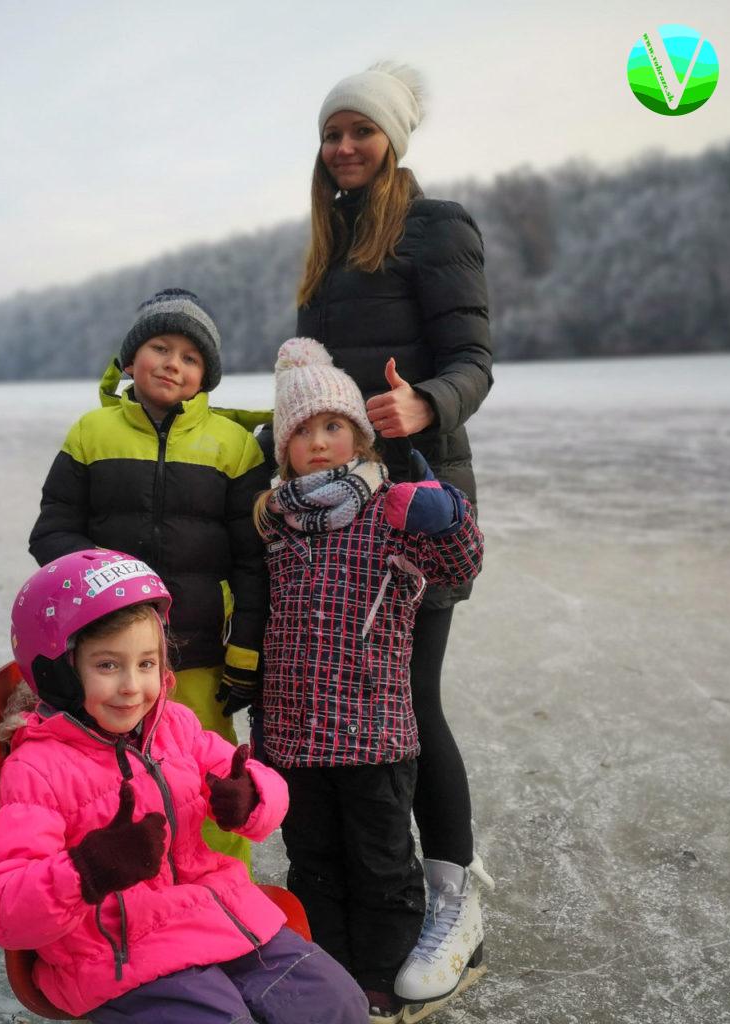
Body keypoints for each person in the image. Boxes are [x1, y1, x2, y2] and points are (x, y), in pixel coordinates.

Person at [295, 62, 496, 1006]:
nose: (344, 147)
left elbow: (474, 361)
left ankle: (455, 899)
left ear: (393, 140)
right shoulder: (327, 245)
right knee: (355, 701)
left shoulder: (436, 225)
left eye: (360, 131)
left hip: (417, 500)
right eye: (332, 133)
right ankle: (368, 894)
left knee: (411, 697)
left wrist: (426, 402)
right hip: (338, 507)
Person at [0, 549, 369, 1024]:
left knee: (339, 1006)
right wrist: (88, 869)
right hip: (118, 951)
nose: (132, 686)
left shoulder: (175, 726)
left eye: (147, 663)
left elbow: (267, 789)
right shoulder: (38, 769)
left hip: (219, 914)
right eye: (108, 665)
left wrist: (250, 796)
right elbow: (5, 911)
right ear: (58, 672)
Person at [253, 339, 484, 1022]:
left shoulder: (390, 513)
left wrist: (449, 516)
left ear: (359, 436)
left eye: (333, 426)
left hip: (375, 734)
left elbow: (459, 566)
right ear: (285, 449)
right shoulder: (276, 524)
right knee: (314, 865)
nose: (319, 442)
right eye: (303, 432)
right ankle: (331, 980)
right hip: (296, 737)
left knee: (382, 867)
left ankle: (382, 983)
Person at [27, 288, 269, 869]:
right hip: (108, 655)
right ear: (131, 357)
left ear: (206, 375)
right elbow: (51, 533)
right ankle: (129, 890)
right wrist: (111, 584)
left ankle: (225, 883)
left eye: (190, 357)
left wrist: (245, 652)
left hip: (198, 652)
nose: (172, 364)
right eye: (160, 347)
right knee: (108, 780)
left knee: (212, 778)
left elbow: (253, 561)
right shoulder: (92, 433)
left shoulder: (234, 447)